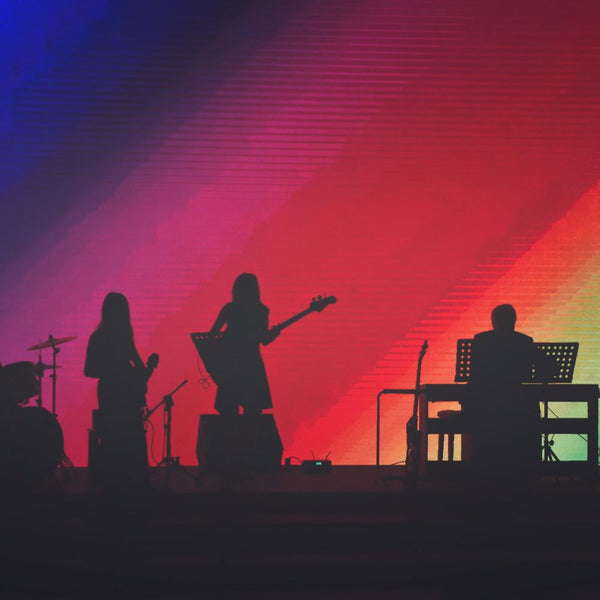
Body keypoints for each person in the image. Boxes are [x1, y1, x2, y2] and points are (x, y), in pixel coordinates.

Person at [465, 304, 555, 481]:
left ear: (493, 321)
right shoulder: (523, 341)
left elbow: (474, 375)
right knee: (529, 413)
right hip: (515, 400)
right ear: (514, 321)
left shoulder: (481, 340)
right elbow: (545, 365)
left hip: (487, 402)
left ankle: (484, 470)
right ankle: (524, 469)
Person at [84, 292, 157, 493]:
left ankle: (113, 483)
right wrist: (136, 370)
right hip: (121, 393)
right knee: (129, 437)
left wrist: (140, 371)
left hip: (112, 392)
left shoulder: (101, 337)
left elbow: (89, 369)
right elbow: (90, 370)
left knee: (115, 438)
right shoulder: (119, 336)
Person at [210, 273, 278, 416]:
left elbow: (213, 334)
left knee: (228, 412)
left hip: (231, 365)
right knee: (253, 412)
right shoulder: (261, 310)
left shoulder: (230, 308)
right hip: (252, 364)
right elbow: (264, 340)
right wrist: (274, 333)